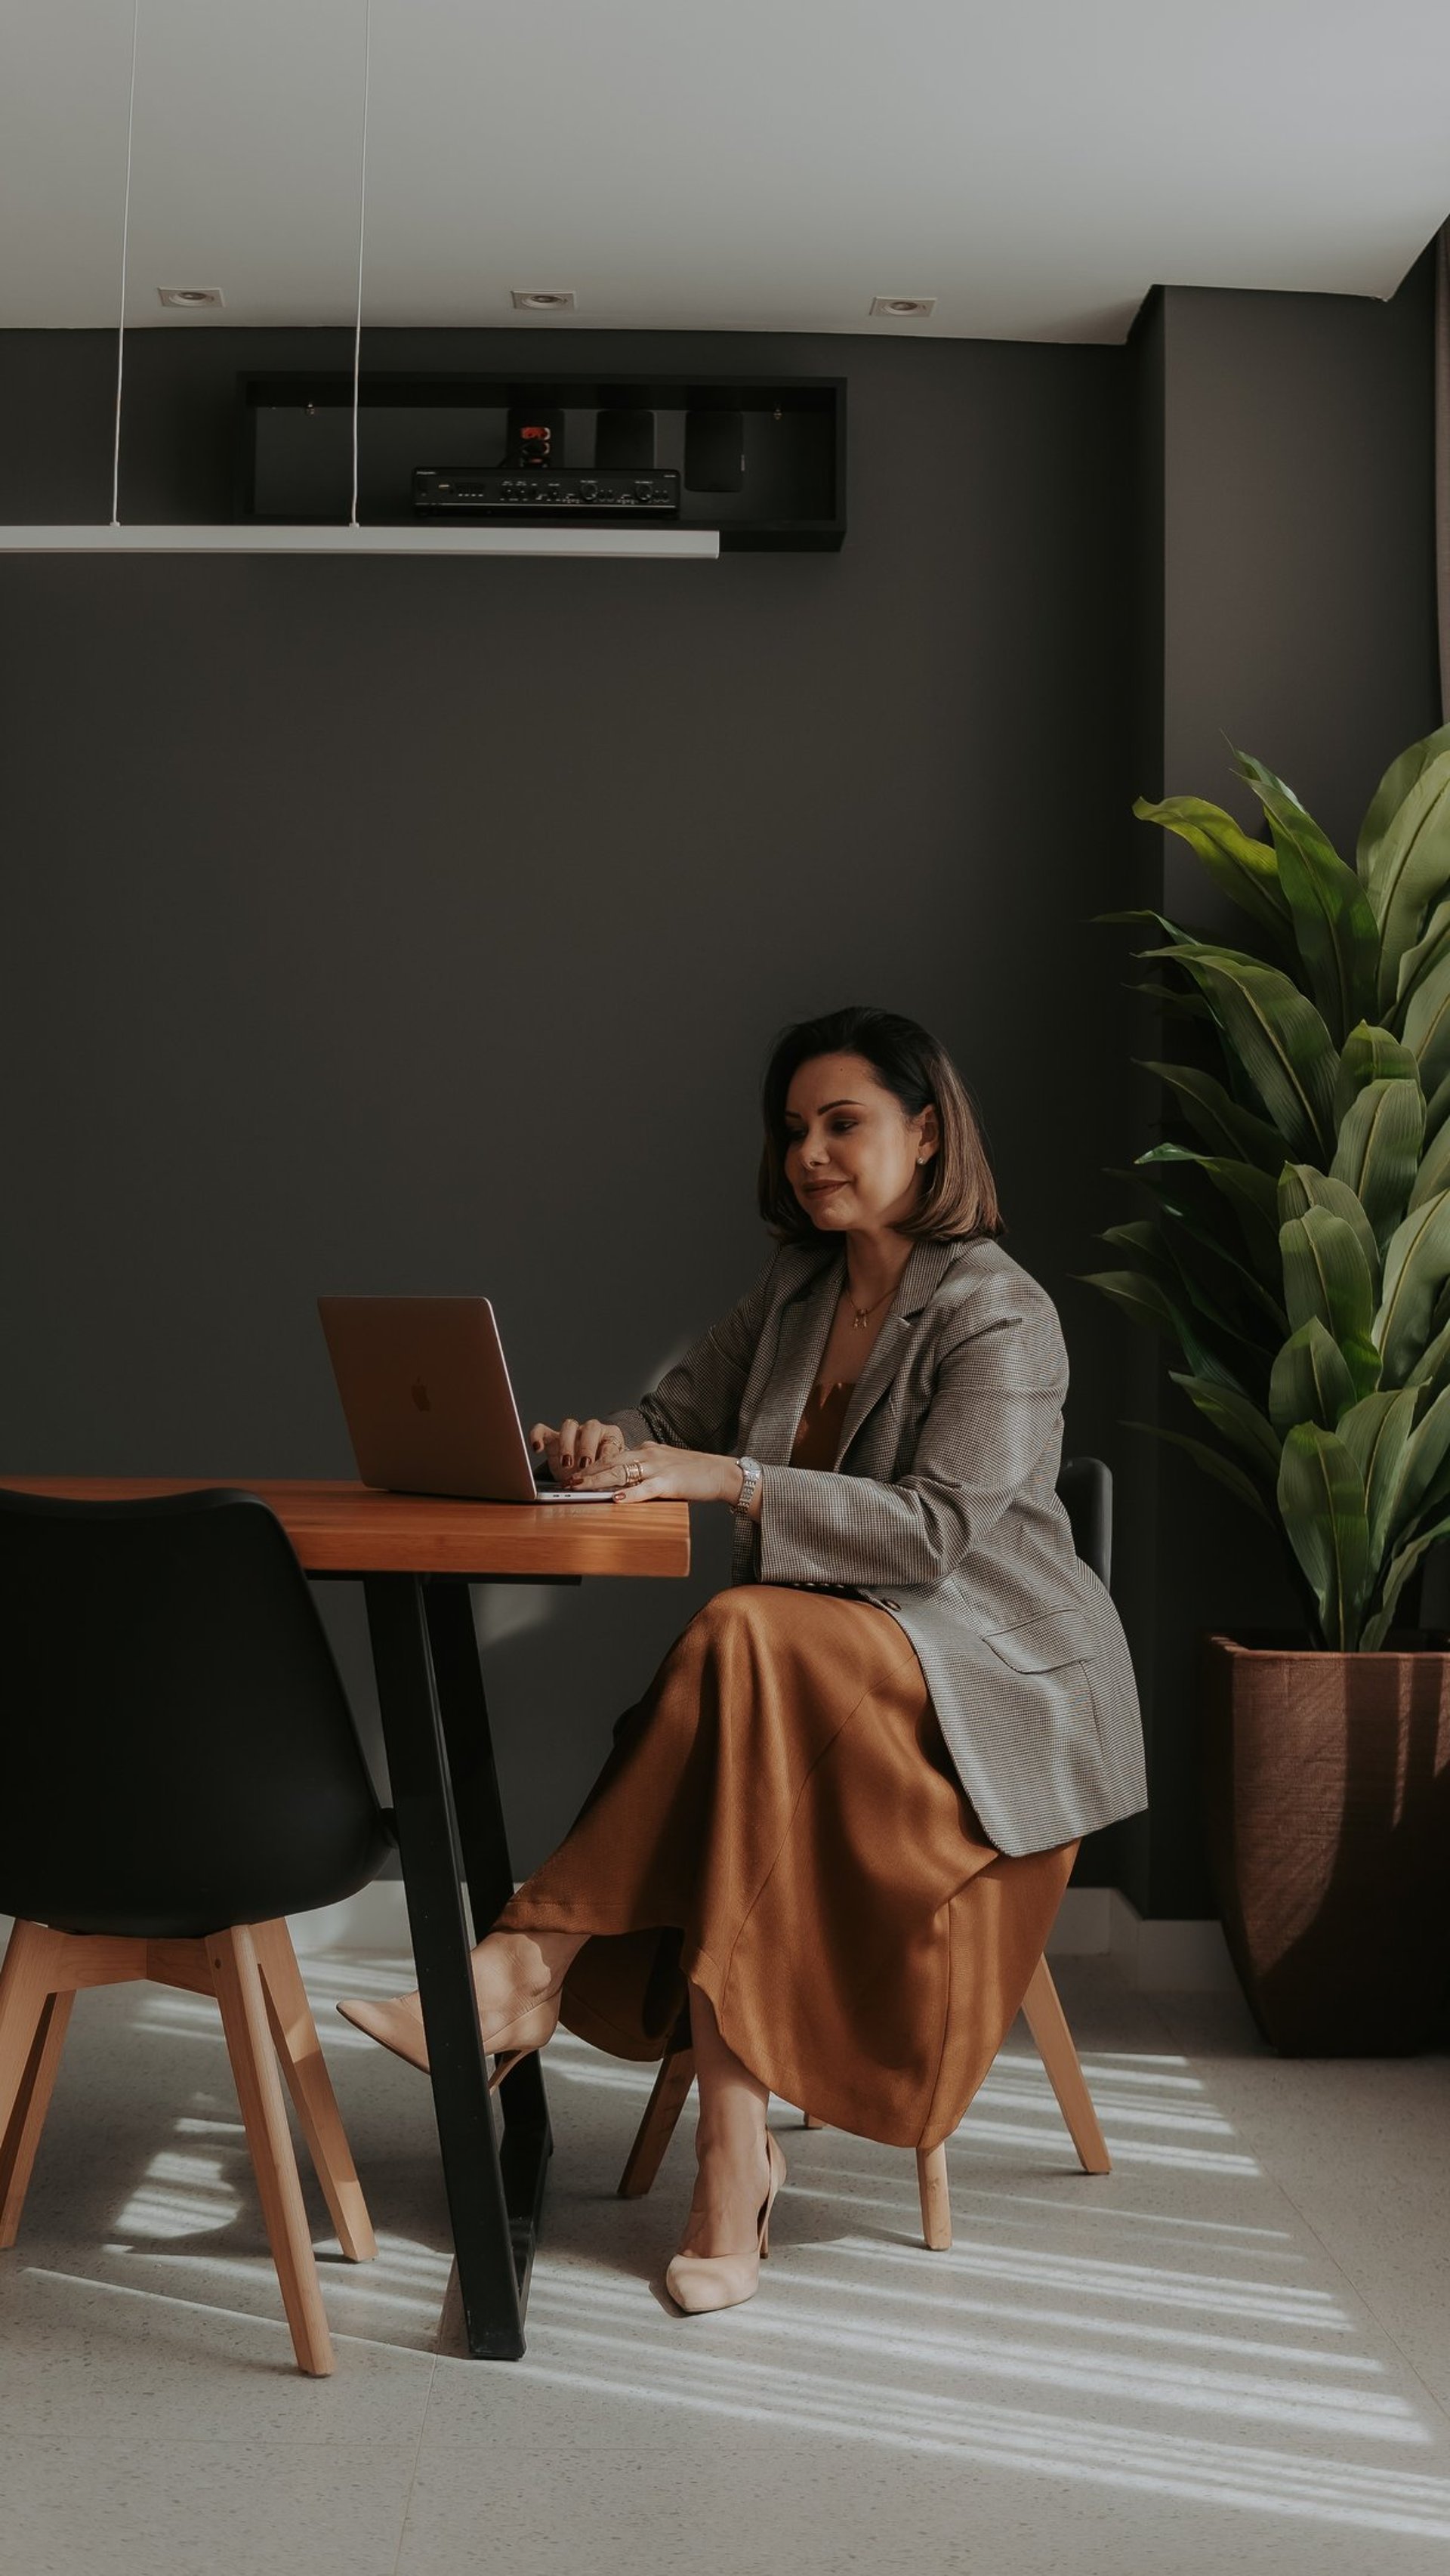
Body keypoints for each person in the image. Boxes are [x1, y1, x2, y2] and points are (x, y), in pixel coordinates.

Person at [341, 1003, 1146, 2315]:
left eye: (843, 1123)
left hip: (982, 1686)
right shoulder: (796, 1293)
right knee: (749, 1692)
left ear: (927, 1133)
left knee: (740, 1641)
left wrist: (735, 1478)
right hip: (805, 1680)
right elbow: (668, 1416)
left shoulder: (1003, 1312)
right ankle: (730, 2152)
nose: (809, 1154)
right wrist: (595, 1445)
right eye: (793, 1130)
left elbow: (934, 1533)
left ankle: (529, 1963)